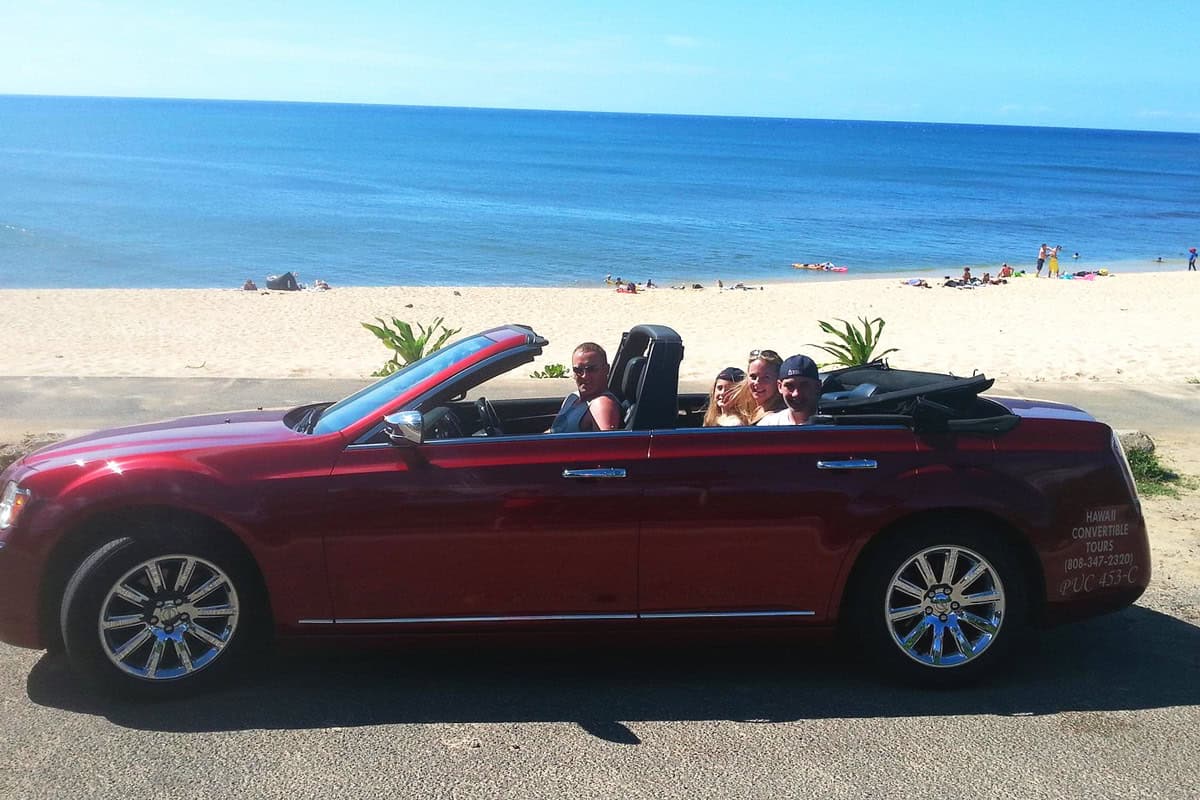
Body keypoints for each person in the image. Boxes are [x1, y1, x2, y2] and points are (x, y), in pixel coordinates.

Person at [549, 343, 622, 433]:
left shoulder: (601, 404)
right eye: (578, 370)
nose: (584, 376)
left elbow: (605, 444)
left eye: (591, 369)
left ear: (606, 369)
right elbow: (555, 432)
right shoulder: (572, 398)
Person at [758, 354, 822, 425]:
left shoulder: (831, 426)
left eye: (804, 386)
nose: (796, 393)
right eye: (789, 386)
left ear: (817, 386)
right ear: (779, 387)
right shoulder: (769, 425)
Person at [737, 349, 785, 423]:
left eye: (766, 377)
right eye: (753, 377)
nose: (757, 382)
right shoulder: (747, 407)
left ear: (778, 381)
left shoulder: (778, 417)